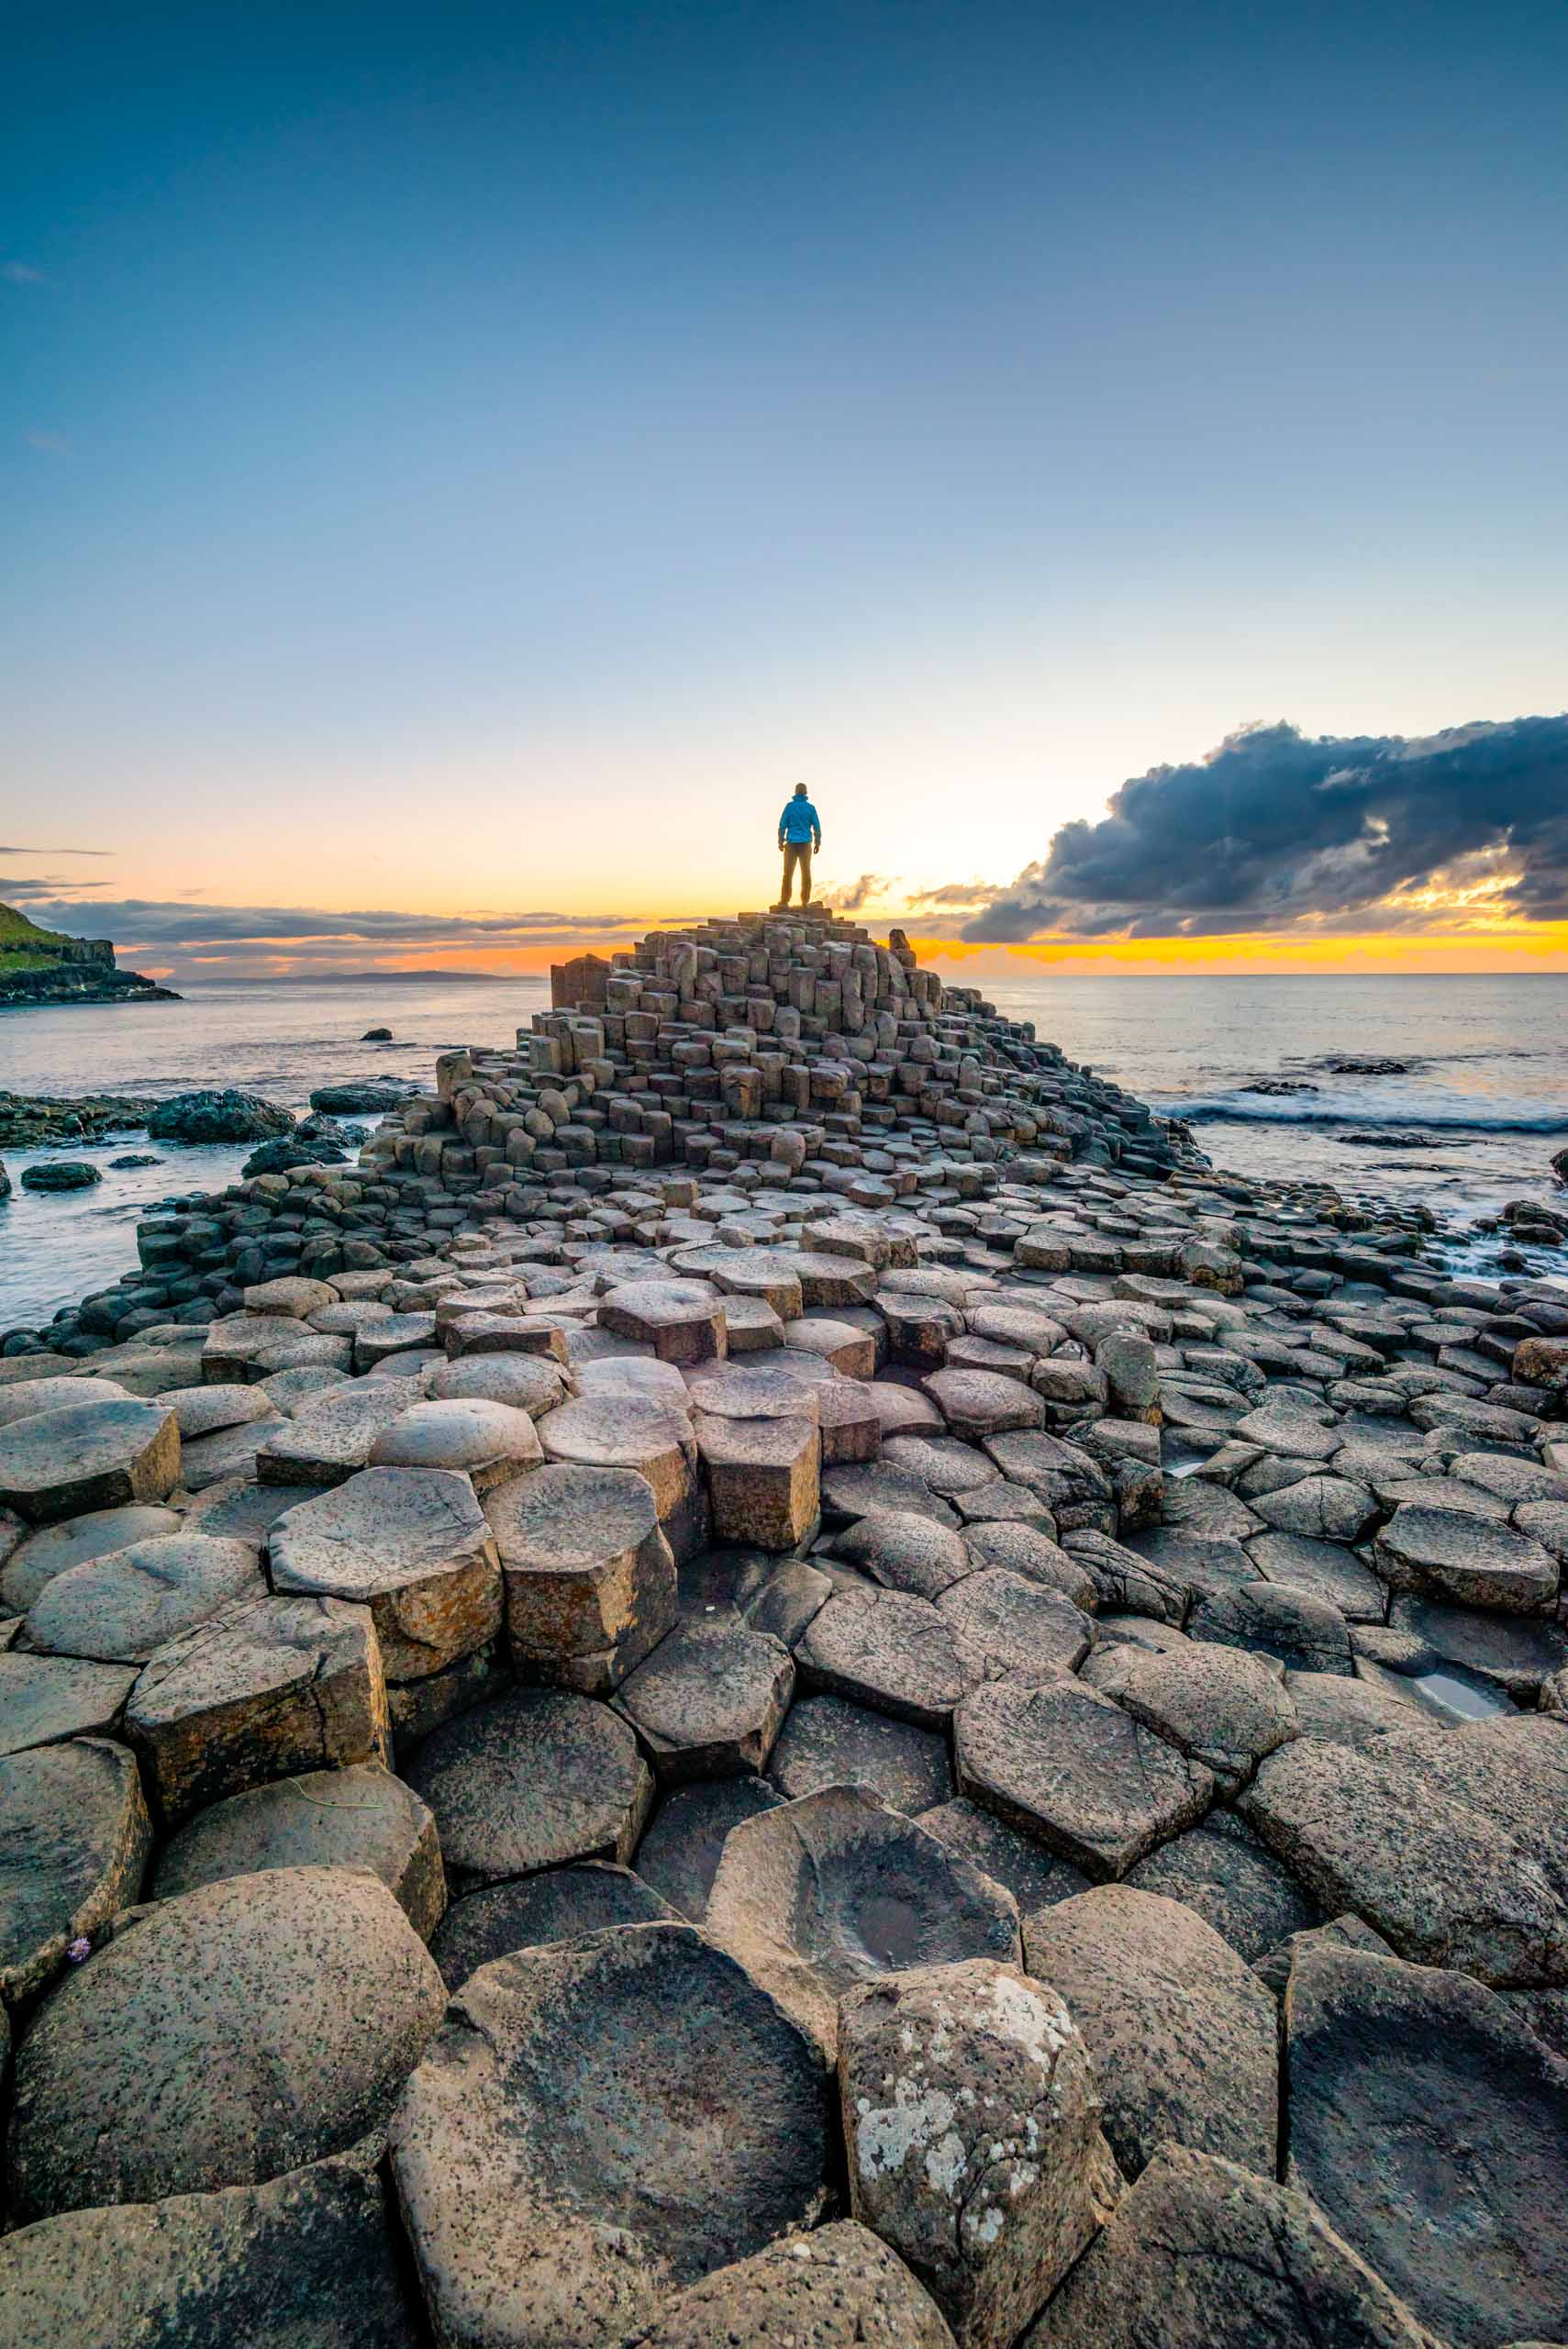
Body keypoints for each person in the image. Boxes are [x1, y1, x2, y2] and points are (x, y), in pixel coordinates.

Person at [775, 783, 821, 909]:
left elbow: (782, 825)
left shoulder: (789, 807)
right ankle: (805, 901)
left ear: (795, 792)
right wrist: (817, 842)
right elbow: (817, 827)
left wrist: (780, 841)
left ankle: (784, 901)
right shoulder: (811, 808)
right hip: (806, 844)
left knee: (788, 873)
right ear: (806, 793)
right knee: (806, 872)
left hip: (791, 844)